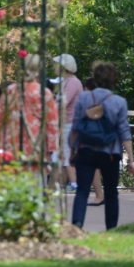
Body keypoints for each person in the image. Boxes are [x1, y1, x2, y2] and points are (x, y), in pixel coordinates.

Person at [70, 62, 134, 230]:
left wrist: (72, 149)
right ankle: (111, 229)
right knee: (111, 192)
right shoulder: (119, 102)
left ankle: (77, 224)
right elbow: (124, 131)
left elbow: (75, 126)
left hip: (85, 149)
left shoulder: (84, 98)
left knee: (83, 190)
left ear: (96, 78)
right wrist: (131, 159)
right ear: (114, 79)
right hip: (110, 152)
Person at [0, 54, 60, 161]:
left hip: (10, 146)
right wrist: (50, 149)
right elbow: (52, 124)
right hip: (35, 148)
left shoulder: (10, 91)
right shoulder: (45, 94)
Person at [52, 53, 84, 192]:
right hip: (65, 123)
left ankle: (74, 184)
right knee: (61, 153)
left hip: (69, 124)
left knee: (65, 153)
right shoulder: (67, 81)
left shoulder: (72, 82)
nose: (54, 67)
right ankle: (62, 184)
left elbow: (62, 103)